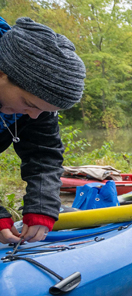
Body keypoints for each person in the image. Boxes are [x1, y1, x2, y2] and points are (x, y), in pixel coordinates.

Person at [0, 16, 85, 244]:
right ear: (2, 75)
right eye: (30, 104)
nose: (35, 115)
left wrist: (41, 207)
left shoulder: (34, 98)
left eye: (45, 110)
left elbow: (44, 153)